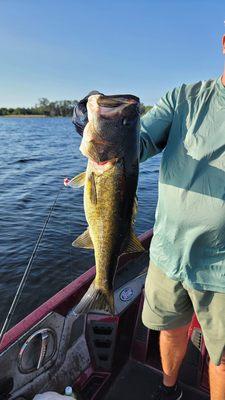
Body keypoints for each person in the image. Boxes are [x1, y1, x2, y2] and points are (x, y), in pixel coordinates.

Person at [140, 34, 225, 400]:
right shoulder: (183, 99)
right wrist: (102, 129)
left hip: (221, 265)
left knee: (223, 355)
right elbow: (137, 143)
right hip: (168, 250)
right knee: (171, 327)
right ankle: (168, 388)